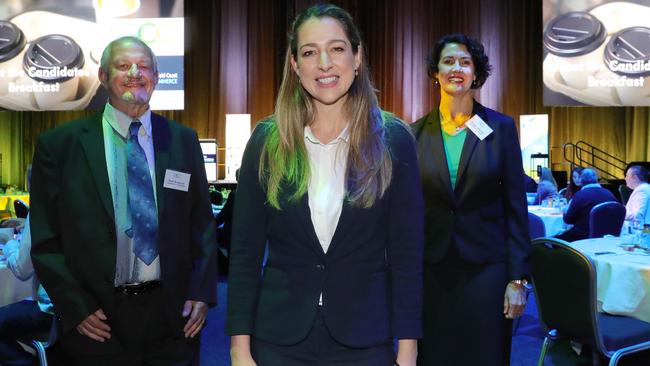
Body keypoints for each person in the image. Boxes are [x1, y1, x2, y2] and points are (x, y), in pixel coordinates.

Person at [227, 4, 423, 366]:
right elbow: (244, 252)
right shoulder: (266, 141)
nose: (324, 63)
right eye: (309, 52)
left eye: (336, 48)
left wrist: (408, 351)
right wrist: (240, 349)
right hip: (278, 339)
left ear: (357, 56)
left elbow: (407, 255)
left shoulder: (395, 141)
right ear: (294, 65)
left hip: (364, 339)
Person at [30, 36, 217, 365]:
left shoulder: (183, 140)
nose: (135, 72)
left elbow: (201, 225)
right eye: (122, 65)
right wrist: (76, 307)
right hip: (97, 321)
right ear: (103, 77)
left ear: (156, 78)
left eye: (144, 66)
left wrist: (202, 293)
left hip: (173, 319)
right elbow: (46, 241)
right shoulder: (60, 146)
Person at [411, 33, 530, 366]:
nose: (456, 68)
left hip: (487, 270)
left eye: (465, 62)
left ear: (476, 73)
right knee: (435, 354)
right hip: (431, 270)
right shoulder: (414, 134)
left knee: (485, 353)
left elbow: (516, 207)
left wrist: (517, 278)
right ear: (435, 72)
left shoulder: (500, 128)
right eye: (448, 61)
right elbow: (408, 212)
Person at [0, 214, 57, 366]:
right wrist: (27, 223)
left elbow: (22, 269)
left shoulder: (39, 211)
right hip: (76, 303)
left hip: (51, 308)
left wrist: (8, 241)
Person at [556, 168, 617, 242]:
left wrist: (565, 211)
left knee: (549, 242)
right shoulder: (609, 193)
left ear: (581, 181)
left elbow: (568, 220)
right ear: (596, 179)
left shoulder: (580, 195)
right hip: (608, 236)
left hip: (583, 237)